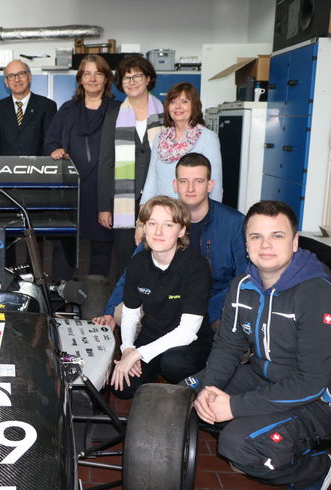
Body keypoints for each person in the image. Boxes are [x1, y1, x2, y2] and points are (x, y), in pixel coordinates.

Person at [185, 201, 331, 489]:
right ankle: (262, 432)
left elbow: (310, 384)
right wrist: (210, 388)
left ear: (294, 242)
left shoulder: (317, 296)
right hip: (266, 378)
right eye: (256, 237)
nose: (265, 245)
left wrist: (234, 406)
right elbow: (228, 346)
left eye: (277, 236)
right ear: (246, 244)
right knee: (188, 397)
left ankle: (314, 468)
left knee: (238, 445)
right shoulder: (242, 285)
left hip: (324, 400)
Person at [95, 152, 247, 331]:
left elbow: (243, 277)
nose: (190, 188)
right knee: (122, 313)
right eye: (183, 181)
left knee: (231, 332)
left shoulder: (235, 223)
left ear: (209, 185)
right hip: (167, 298)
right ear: (175, 185)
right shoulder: (161, 217)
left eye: (198, 181)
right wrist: (110, 311)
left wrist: (214, 307)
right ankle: (142, 351)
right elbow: (132, 272)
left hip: (216, 300)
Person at [108, 196, 212, 399]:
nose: (158, 232)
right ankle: (156, 373)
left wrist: (138, 354)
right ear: (144, 227)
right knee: (122, 388)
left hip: (189, 342)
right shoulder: (137, 264)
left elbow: (188, 331)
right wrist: (128, 349)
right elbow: (130, 313)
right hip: (151, 335)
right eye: (152, 223)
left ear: (181, 231)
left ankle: (186, 383)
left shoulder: (195, 267)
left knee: (174, 364)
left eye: (168, 225)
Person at [44, 54, 119, 280]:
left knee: (102, 245)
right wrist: (55, 150)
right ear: (80, 79)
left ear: (106, 79)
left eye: (98, 73)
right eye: (87, 73)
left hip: (104, 190)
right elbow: (51, 140)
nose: (93, 78)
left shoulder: (118, 110)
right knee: (64, 243)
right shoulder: (68, 109)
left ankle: (96, 300)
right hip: (72, 190)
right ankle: (62, 293)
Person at [97, 55, 163, 280]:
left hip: (159, 197)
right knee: (126, 258)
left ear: (148, 79)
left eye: (137, 76)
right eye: (126, 78)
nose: (132, 81)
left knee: (159, 254)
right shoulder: (114, 114)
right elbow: (106, 161)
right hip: (123, 200)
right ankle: (125, 307)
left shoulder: (165, 113)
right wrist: (104, 206)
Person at [140, 82, 222, 205]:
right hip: (163, 212)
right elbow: (151, 178)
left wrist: (214, 216)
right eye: (173, 102)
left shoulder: (208, 138)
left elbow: (215, 184)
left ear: (194, 105)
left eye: (184, 101)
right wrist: (143, 209)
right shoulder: (160, 138)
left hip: (193, 213)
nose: (177, 107)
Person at [0, 59, 57, 156]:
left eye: (21, 74)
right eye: (11, 76)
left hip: (37, 169)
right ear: (6, 82)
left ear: (29, 77)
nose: (17, 79)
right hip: (6, 169)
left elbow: (51, 144)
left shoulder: (47, 106)